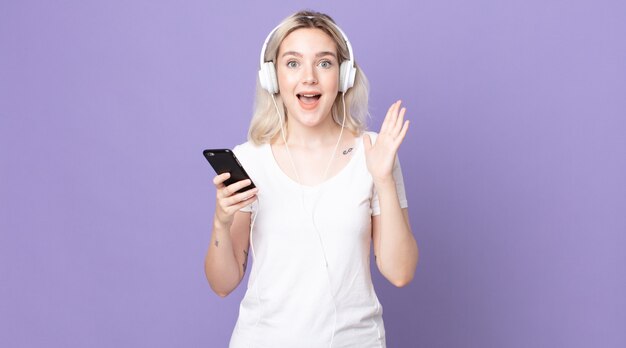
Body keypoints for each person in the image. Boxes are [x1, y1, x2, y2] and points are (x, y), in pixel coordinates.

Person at [204, 10, 418, 348]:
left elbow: (400, 272)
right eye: (292, 63)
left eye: (324, 63)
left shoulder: (374, 152)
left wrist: (383, 179)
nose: (309, 78)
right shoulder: (250, 159)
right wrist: (221, 222)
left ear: (344, 75)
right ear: (272, 78)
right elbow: (222, 284)